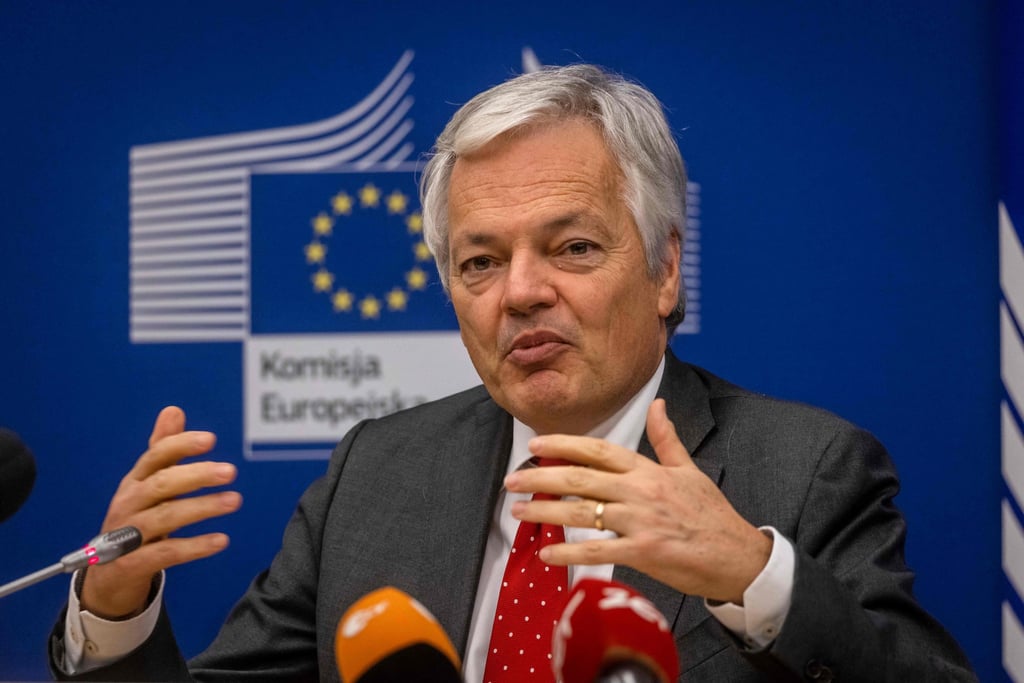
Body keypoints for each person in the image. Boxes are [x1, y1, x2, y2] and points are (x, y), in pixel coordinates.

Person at [50, 64, 977, 682]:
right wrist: (116, 608)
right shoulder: (377, 470)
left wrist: (751, 572)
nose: (521, 293)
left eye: (571, 246)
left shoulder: (806, 467)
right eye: (480, 262)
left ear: (663, 270)